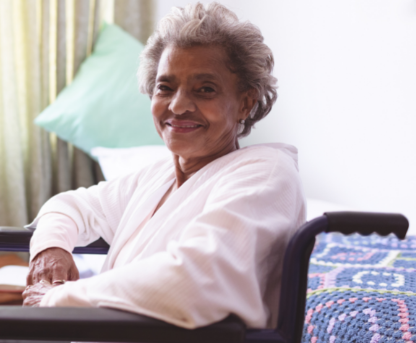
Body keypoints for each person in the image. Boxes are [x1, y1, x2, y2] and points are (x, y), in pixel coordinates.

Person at [21, 2, 306, 329]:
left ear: (245, 102)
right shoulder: (158, 176)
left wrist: (56, 298)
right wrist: (51, 247)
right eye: (165, 87)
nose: (179, 105)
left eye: (205, 89)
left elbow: (195, 281)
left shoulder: (265, 172)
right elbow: (70, 205)